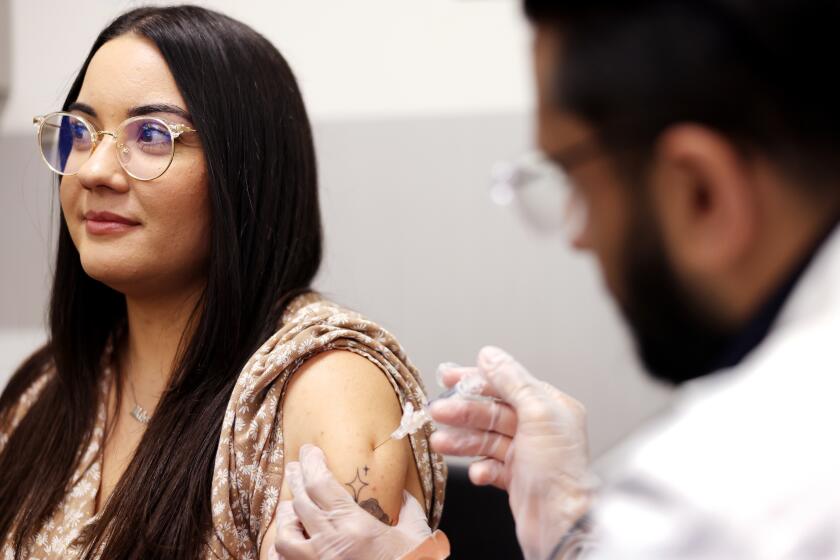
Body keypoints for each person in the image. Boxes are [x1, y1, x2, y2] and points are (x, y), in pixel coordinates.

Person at [273, 0, 840, 558]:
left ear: (701, 193)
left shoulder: (719, 504)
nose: (578, 237)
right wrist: (569, 521)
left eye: (576, 182)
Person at [0, 6, 445, 559]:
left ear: (244, 169)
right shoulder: (45, 389)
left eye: (152, 135)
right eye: (82, 132)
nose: (94, 171)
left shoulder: (317, 385)